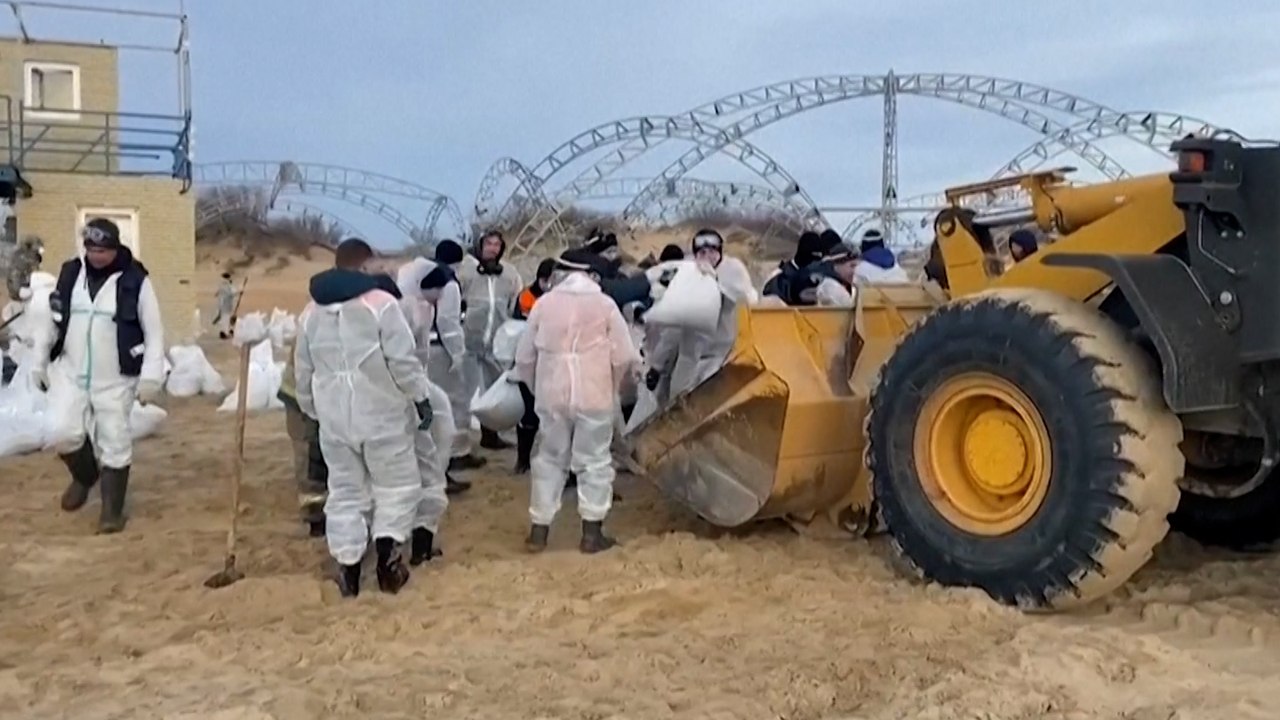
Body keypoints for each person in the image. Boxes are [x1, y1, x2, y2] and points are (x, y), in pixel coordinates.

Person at [295, 237, 433, 597]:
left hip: (335, 420)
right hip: (382, 415)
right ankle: (388, 561)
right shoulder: (381, 305)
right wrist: (420, 397)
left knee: (344, 491)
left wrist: (313, 410)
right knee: (396, 486)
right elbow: (402, 361)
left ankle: (349, 569)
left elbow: (303, 370)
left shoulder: (310, 312)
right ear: (363, 265)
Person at [37, 218, 165, 534]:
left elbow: (154, 331)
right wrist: (39, 361)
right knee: (62, 432)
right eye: (91, 250)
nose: (96, 256)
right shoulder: (71, 275)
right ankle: (85, 477)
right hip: (71, 372)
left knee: (114, 440)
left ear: (116, 248)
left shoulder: (136, 280)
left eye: (102, 251)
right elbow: (52, 322)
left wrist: (151, 377)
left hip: (116, 378)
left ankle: (111, 513)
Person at [514, 248, 639, 553]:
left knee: (549, 459)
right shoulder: (605, 305)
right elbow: (624, 355)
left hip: (552, 396)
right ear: (592, 275)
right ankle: (591, 535)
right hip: (595, 396)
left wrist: (538, 389)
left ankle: (539, 532)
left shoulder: (544, 304)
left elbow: (524, 357)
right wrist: (612, 387)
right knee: (594, 462)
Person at [397, 249, 473, 492]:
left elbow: (421, 348)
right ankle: (432, 477)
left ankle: (438, 474)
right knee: (432, 423)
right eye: (437, 293)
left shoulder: (421, 305)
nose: (439, 298)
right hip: (406, 379)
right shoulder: (405, 308)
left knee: (436, 423)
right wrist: (456, 353)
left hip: (418, 375)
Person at [649, 229, 746, 399]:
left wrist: (713, 281)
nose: (707, 256)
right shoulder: (688, 277)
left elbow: (741, 298)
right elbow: (673, 328)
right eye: (702, 252)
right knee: (677, 400)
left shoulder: (732, 272)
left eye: (712, 251)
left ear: (720, 252)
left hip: (720, 356)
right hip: (689, 357)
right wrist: (657, 365)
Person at [404, 265, 459, 566]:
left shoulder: (416, 307)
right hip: (412, 393)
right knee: (428, 469)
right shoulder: (408, 311)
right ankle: (420, 547)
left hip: (409, 392)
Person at [456, 230, 522, 453]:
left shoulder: (509, 274)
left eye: (497, 245)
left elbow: (513, 304)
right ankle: (460, 446)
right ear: (480, 246)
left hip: (495, 343)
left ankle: (490, 436)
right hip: (467, 342)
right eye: (489, 244)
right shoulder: (465, 271)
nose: (493, 248)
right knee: (463, 393)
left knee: (494, 392)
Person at [428, 240, 485, 472]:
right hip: (442, 350)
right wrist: (457, 353)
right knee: (455, 401)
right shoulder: (449, 283)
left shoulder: (425, 277)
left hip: (425, 348)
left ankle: (435, 451)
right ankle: (457, 453)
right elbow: (447, 321)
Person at [277, 335, 328, 537]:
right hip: (300, 395)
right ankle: (315, 515)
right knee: (308, 454)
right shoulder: (316, 324)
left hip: (325, 394)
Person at [512, 257, 557, 474]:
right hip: (530, 360)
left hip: (554, 363)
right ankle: (522, 460)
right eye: (545, 280)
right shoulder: (526, 298)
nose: (548, 285)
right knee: (528, 413)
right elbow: (518, 328)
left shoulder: (561, 300)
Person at [214, 272, 238, 339]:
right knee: (226, 318)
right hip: (227, 305)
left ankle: (224, 332)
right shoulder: (229, 285)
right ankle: (225, 333)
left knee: (224, 318)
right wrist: (240, 292)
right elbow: (232, 293)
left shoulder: (222, 284)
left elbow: (217, 293)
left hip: (222, 305)